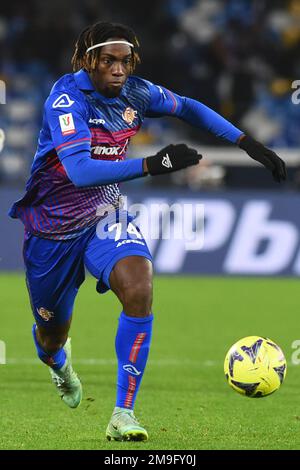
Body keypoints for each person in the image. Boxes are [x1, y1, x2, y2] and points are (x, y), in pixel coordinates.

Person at [9, 21, 286, 442]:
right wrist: (152, 165)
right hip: (52, 229)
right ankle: (58, 363)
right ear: (88, 62)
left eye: (126, 61)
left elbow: (189, 106)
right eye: (108, 61)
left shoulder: (137, 92)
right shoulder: (66, 101)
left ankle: (123, 412)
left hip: (106, 214)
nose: (118, 70)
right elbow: (80, 170)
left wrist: (246, 142)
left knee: (139, 285)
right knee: (51, 335)